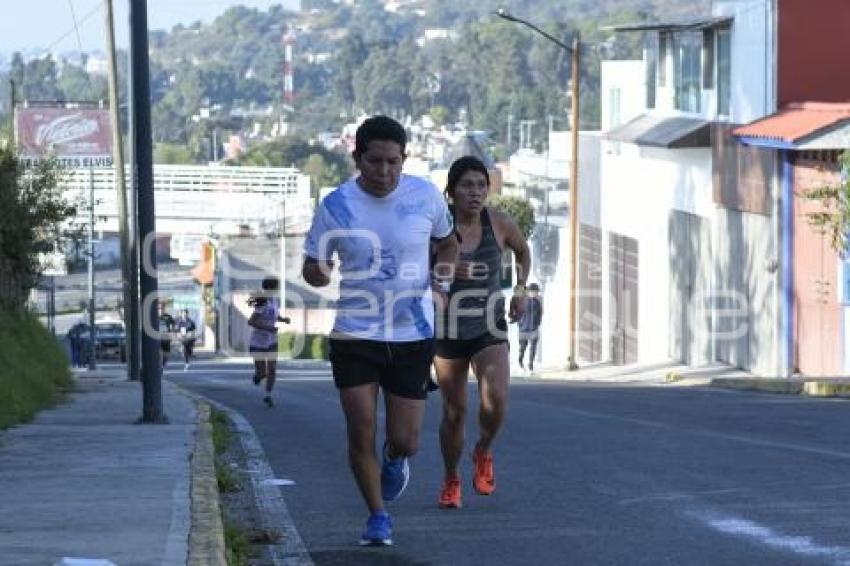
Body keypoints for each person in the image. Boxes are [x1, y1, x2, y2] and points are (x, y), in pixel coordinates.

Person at [302, 115, 457, 546]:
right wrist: (318, 271)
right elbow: (312, 267)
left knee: (406, 440)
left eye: (393, 162)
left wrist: (440, 284)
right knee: (361, 427)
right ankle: (377, 516)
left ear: (404, 159)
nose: (384, 172)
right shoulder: (336, 205)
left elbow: (447, 243)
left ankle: (395, 458)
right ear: (357, 158)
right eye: (375, 162)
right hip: (355, 332)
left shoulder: (424, 196)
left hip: (412, 333)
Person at [433, 155, 530, 510]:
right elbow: (414, 269)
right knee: (454, 411)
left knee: (496, 399)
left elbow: (522, 252)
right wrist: (444, 269)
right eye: (466, 186)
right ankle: (450, 478)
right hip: (448, 329)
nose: (475, 193)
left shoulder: (500, 223)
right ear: (451, 191)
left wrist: (521, 290)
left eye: (481, 186)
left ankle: (483, 451)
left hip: (490, 325)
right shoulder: (438, 228)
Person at [248, 276, 290, 407]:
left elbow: (274, 315)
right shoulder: (263, 302)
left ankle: (268, 395)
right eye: (276, 287)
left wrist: (282, 319)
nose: (277, 290)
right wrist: (269, 328)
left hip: (271, 342)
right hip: (257, 343)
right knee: (262, 373)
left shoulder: (273, 300)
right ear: (271, 288)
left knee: (272, 369)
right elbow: (251, 321)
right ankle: (258, 377)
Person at [517, 283, 543, 371]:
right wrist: (520, 324)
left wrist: (537, 324)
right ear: (529, 292)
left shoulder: (537, 302)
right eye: (534, 292)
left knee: (533, 347)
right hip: (523, 329)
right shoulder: (523, 301)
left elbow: (539, 314)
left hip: (534, 329)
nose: (535, 293)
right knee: (523, 347)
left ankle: (530, 364)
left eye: (536, 292)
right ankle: (520, 360)